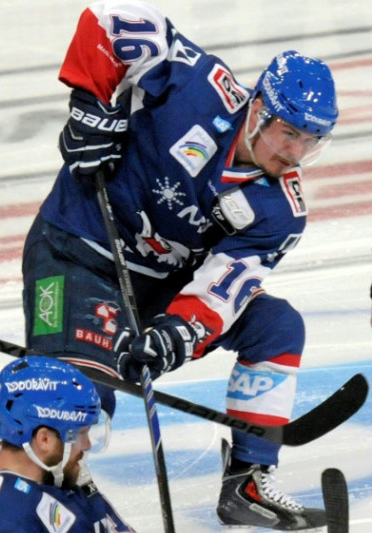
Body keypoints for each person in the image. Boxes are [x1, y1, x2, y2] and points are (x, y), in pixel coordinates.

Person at [21, 1, 338, 530]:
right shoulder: (197, 88)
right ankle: (31, 498)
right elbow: (108, 18)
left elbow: (224, 289)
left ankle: (249, 483)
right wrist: (91, 103)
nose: (296, 152)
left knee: (277, 326)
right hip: (76, 252)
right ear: (258, 110)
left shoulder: (282, 209)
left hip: (158, 288)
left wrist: (178, 333)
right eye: (290, 133)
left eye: (311, 141)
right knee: (78, 396)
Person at [0, 356, 134, 532]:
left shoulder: (54, 468)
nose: (87, 445)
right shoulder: (6, 520)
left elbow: (100, 516)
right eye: (80, 433)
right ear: (44, 439)